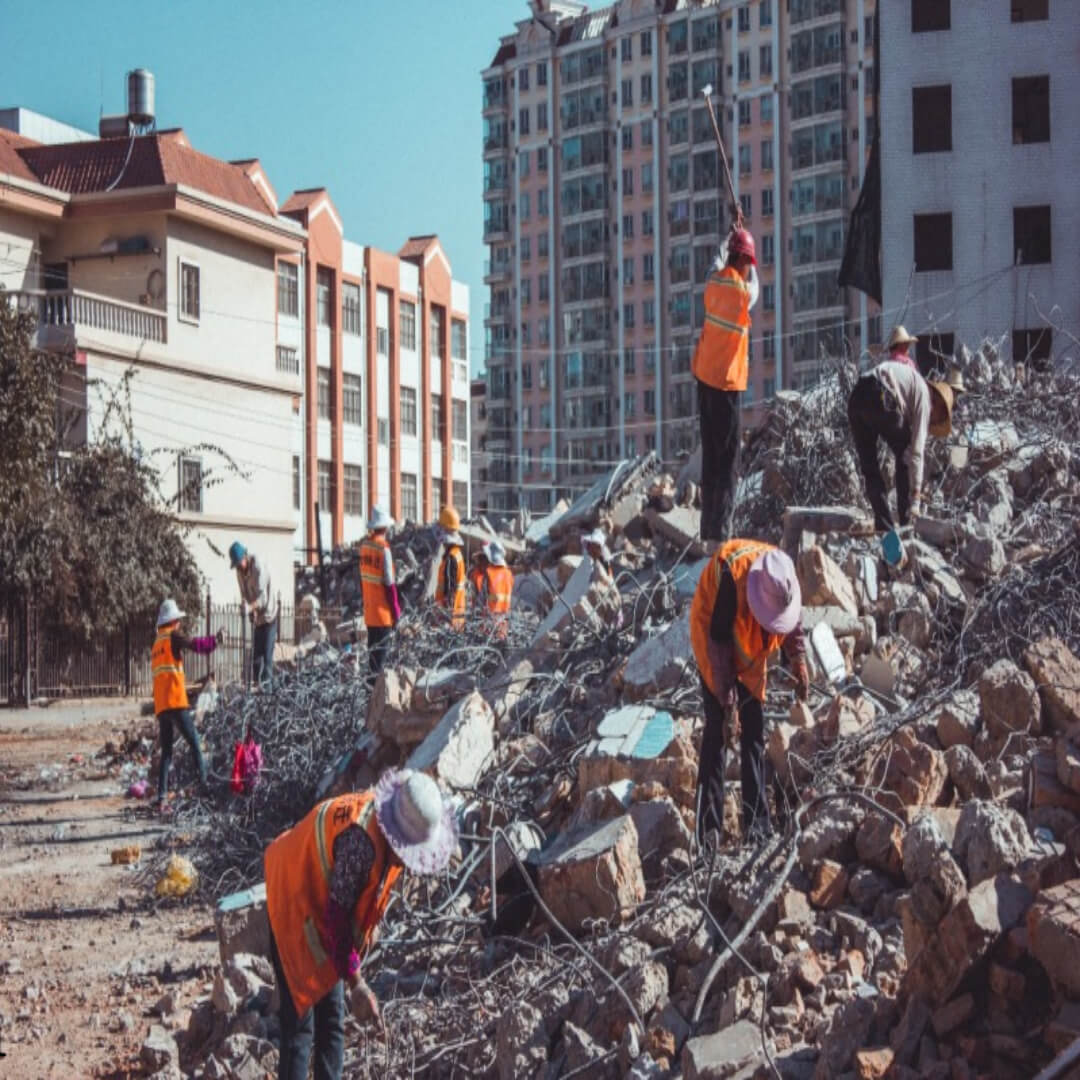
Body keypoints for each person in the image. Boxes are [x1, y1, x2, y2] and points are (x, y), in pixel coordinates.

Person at [264, 768, 457, 1080]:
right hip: (293, 899)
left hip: (320, 905)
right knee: (300, 1027)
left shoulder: (382, 833)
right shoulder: (360, 843)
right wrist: (358, 983)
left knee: (332, 1021)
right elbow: (336, 918)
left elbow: (355, 899)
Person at [690, 541, 808, 843]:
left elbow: (793, 619)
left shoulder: (782, 576)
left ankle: (757, 824)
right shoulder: (732, 582)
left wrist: (799, 660)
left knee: (754, 729)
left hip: (749, 645)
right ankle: (709, 830)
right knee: (717, 731)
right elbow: (718, 643)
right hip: (711, 632)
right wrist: (729, 706)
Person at [846, 326, 955, 532]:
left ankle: (884, 527)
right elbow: (916, 452)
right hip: (879, 395)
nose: (934, 419)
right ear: (937, 402)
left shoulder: (897, 370)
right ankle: (905, 526)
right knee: (905, 452)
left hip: (857, 396)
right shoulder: (923, 393)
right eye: (938, 416)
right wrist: (916, 498)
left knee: (870, 469)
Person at [691, 228, 760, 543]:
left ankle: (707, 531)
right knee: (730, 459)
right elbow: (755, 284)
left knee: (710, 458)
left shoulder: (712, 283)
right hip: (728, 386)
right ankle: (723, 533)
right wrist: (744, 236)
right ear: (746, 261)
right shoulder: (745, 293)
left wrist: (731, 236)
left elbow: (716, 261)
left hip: (704, 381)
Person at [151, 598, 223, 812]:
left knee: (166, 751)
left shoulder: (156, 644)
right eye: (178, 620)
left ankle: (161, 797)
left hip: (162, 705)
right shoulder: (173, 636)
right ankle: (204, 788)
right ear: (173, 621)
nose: (179, 623)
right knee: (195, 743)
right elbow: (196, 645)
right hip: (175, 701)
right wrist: (215, 640)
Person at [358, 506, 401, 680]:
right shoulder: (384, 549)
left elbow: (364, 581)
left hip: (370, 615)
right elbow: (390, 584)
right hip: (383, 616)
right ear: (385, 528)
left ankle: (369, 699)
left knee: (372, 662)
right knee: (380, 665)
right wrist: (396, 611)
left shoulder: (364, 548)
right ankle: (375, 702)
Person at [229, 541, 279, 688]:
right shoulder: (239, 572)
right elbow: (244, 593)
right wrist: (246, 607)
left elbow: (262, 599)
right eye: (236, 565)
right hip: (257, 618)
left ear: (245, 557)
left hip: (269, 616)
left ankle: (268, 692)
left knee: (267, 657)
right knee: (256, 659)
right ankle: (257, 692)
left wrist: (251, 607)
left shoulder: (258, 567)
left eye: (239, 563)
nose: (238, 567)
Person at [434, 505, 466, 631]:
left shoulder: (451, 558)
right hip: (457, 618)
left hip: (449, 620)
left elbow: (449, 591)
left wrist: (445, 619)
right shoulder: (457, 554)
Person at [479, 540, 513, 640]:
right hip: (503, 623)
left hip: (489, 622)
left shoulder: (489, 573)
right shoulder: (509, 574)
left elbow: (481, 599)